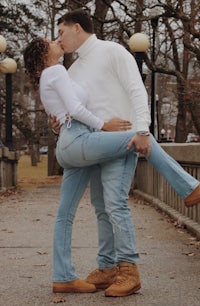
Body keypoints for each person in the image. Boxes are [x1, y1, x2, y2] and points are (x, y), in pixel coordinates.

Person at [25, 11, 200, 297]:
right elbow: (71, 111)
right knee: (100, 206)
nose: (59, 39)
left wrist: (142, 129)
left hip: (122, 139)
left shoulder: (112, 51)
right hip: (93, 143)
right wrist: (58, 124)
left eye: (61, 32)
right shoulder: (70, 70)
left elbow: (136, 90)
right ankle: (107, 268)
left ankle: (128, 269)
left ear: (76, 28)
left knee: (115, 203)